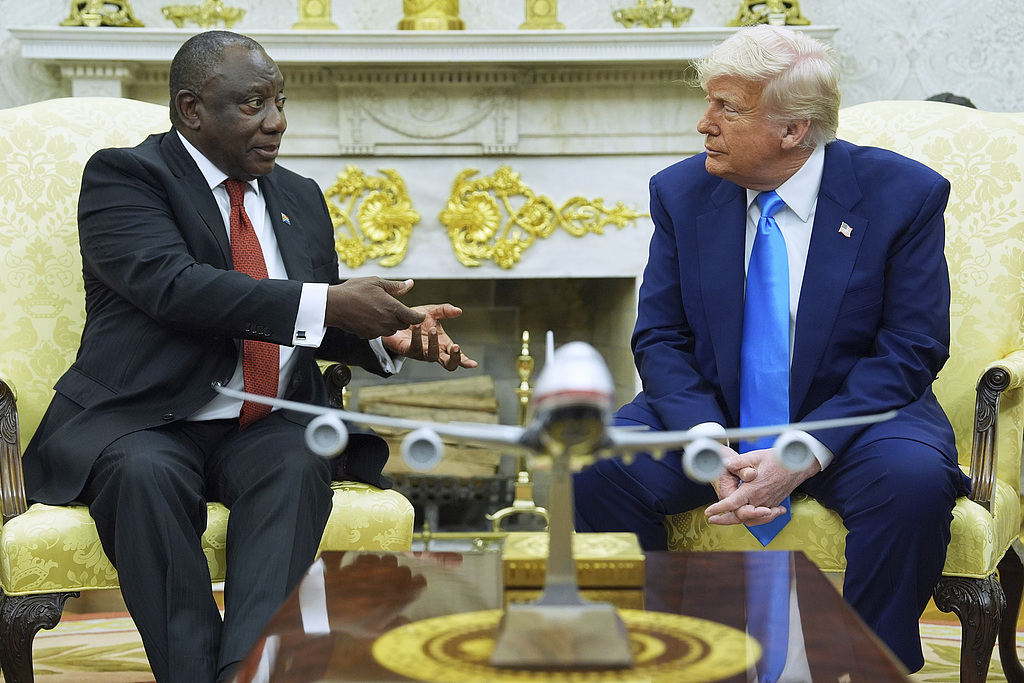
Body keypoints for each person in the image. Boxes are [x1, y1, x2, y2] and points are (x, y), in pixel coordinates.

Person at [22, 30, 477, 683]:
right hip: (146, 420)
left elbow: (305, 319)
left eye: (281, 102)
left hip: (265, 423)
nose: (277, 122)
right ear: (191, 110)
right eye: (254, 104)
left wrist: (387, 334)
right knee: (144, 475)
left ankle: (247, 671)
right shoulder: (126, 177)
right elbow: (174, 287)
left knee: (298, 462)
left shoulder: (299, 197)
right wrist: (328, 303)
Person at [573, 25, 968, 673]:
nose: (704, 124)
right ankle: (657, 652)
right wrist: (703, 438)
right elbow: (661, 336)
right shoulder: (682, 192)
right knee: (593, 463)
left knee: (913, 485)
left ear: (794, 130)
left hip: (853, 414)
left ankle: (866, 663)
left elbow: (911, 346)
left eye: (727, 108)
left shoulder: (903, 195)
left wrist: (799, 450)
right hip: (717, 408)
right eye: (708, 103)